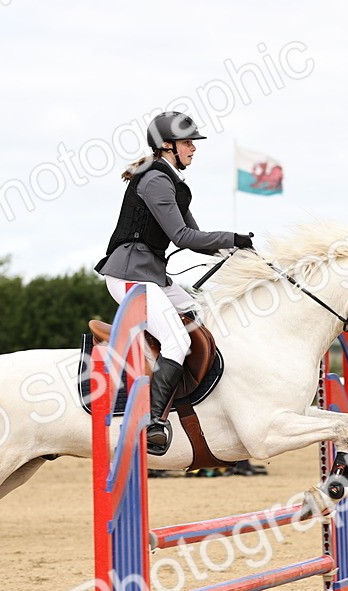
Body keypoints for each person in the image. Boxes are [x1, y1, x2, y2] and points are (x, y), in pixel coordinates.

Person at [95, 111, 253, 456]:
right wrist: (234, 238)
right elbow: (183, 237)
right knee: (178, 339)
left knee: (200, 321)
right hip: (128, 275)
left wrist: (235, 251)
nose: (193, 150)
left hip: (151, 275)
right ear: (167, 146)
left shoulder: (172, 183)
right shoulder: (155, 180)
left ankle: (203, 409)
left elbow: (195, 237)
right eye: (187, 143)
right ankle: (152, 422)